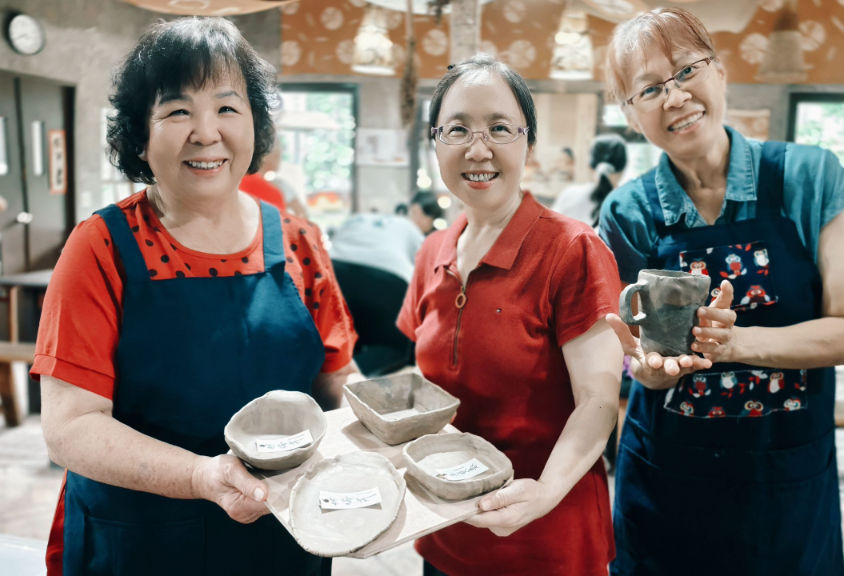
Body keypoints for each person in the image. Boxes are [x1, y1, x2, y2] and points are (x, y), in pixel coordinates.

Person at [34, 18, 361, 576]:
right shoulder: (101, 247)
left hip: (281, 536)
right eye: (178, 110)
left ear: (255, 125)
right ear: (140, 134)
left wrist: (384, 428)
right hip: (137, 543)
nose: (206, 133)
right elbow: (70, 428)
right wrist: (200, 476)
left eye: (227, 107)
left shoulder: (298, 242)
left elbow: (336, 380)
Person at [598, 8, 844, 575]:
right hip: (668, 484)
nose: (675, 97)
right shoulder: (628, 211)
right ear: (629, 113)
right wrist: (646, 370)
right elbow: (635, 353)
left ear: (720, 72)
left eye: (686, 71)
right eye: (649, 89)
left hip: (785, 483)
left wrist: (734, 343)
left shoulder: (809, 178)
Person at [398, 54, 620, 576]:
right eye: (458, 130)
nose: (478, 150)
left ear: (528, 144)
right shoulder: (432, 251)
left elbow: (598, 400)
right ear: (435, 142)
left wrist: (545, 491)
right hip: (447, 529)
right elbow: (423, 384)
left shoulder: (572, 249)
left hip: (546, 536)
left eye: (499, 128)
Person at [329, 212, 424, 375]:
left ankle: (324, 378)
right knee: (391, 345)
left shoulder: (355, 219)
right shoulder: (407, 225)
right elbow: (427, 260)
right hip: (388, 277)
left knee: (333, 339)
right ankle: (350, 379)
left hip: (333, 271)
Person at [552, 134, 628, 227]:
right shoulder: (630, 205)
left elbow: (549, 230)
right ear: (624, 167)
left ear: (589, 165)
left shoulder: (569, 194)